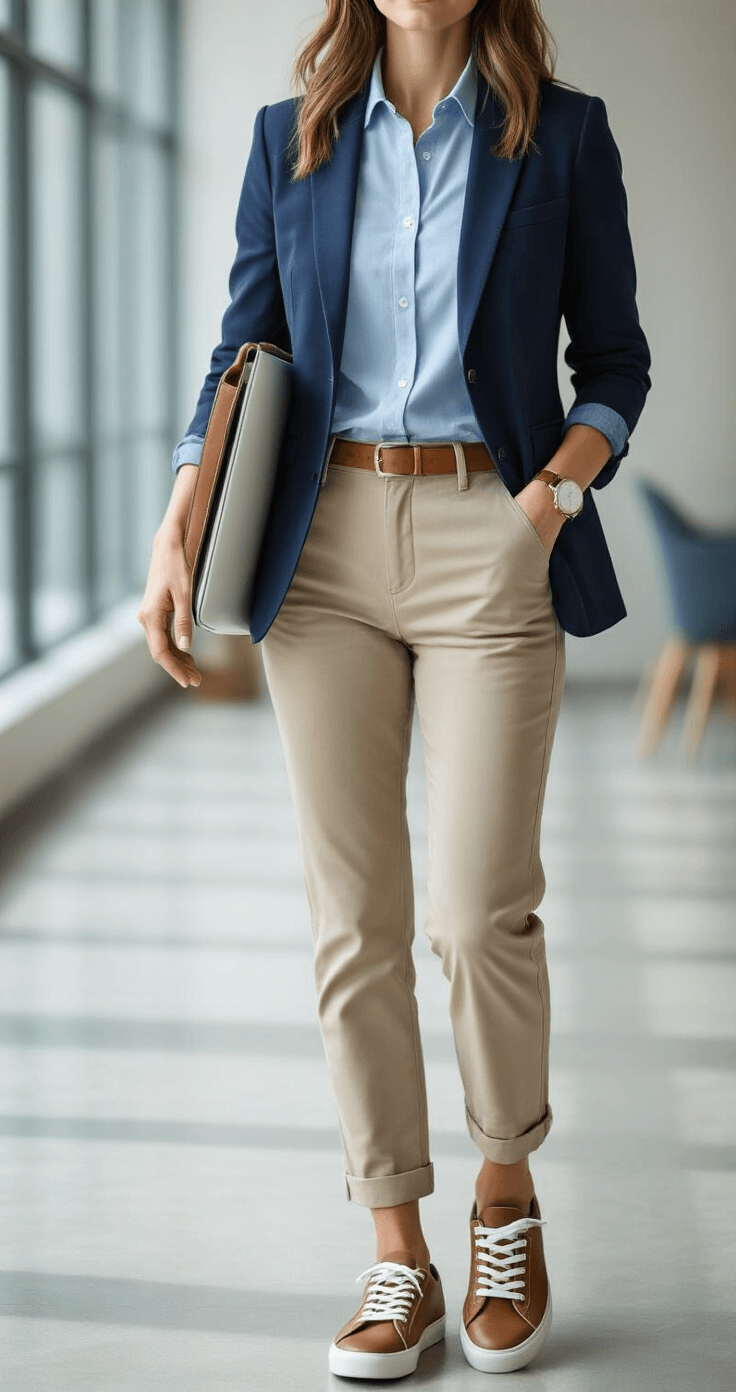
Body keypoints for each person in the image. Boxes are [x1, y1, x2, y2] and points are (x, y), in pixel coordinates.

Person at [138, 0, 651, 1378]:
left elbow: (615, 367)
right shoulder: (287, 140)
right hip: (323, 546)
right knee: (352, 917)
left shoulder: (565, 134)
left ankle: (504, 1195)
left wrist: (545, 506)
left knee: (480, 907)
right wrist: (182, 517)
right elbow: (241, 352)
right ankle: (394, 1251)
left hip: (494, 531)